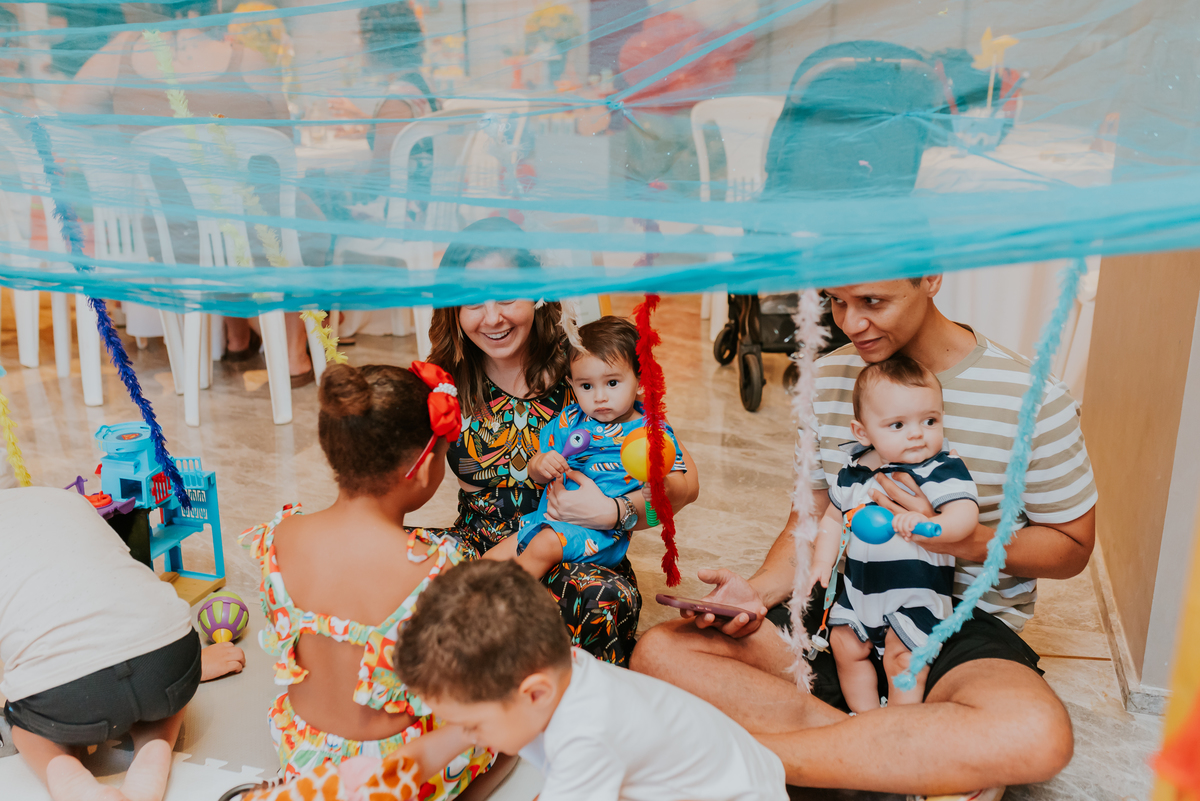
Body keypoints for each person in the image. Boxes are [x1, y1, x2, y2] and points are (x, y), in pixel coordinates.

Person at [632, 276, 1097, 796]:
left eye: (872, 301)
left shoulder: (1034, 397)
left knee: (1035, 733)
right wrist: (757, 593)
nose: (851, 323)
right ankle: (904, 757)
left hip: (958, 623)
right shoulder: (828, 378)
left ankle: (768, 757)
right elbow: (809, 522)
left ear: (930, 277)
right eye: (836, 301)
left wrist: (957, 540)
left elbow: (1071, 547)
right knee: (660, 653)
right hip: (847, 606)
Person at [428, 217, 699, 667]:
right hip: (480, 544)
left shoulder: (586, 368)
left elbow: (685, 488)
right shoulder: (444, 381)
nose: (492, 317)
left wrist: (617, 511)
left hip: (576, 551)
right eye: (472, 300)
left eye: (507, 296)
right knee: (391, 567)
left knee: (599, 600)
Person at [237, 361, 495, 798]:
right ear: (423, 467)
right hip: (393, 769)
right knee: (499, 717)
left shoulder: (280, 535)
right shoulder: (436, 566)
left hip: (305, 753)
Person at [59, 1, 318, 385]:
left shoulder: (118, 57)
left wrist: (131, 122)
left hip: (175, 236)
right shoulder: (249, 60)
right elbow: (284, 143)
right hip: (261, 232)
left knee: (213, 223)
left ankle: (238, 337)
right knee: (292, 219)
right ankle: (293, 357)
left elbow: (67, 115)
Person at [395, 560, 789, 801]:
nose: (468, 734)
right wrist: (385, 779)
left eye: (473, 725)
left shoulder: (586, 734)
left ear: (535, 693)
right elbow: (434, 750)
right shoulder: (550, 675)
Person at [1, 486, 245, 801]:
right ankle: (155, 749)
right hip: (169, 655)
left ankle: (69, 778)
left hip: (70, 694)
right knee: (161, 693)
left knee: (24, 723)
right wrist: (192, 666)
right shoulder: (61, 497)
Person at [807, 354, 979, 712]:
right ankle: (865, 716)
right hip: (860, 593)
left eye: (930, 420)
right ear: (862, 432)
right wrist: (822, 561)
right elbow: (832, 520)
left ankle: (898, 721)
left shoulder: (940, 469)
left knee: (904, 660)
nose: (917, 433)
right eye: (897, 425)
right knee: (844, 645)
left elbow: (965, 515)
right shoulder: (854, 473)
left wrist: (931, 526)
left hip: (915, 596)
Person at [487, 316, 688, 580]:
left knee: (542, 547)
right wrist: (541, 464)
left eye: (612, 383)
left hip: (599, 534)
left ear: (641, 381)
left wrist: (664, 487)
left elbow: (681, 483)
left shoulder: (651, 432)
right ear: (572, 384)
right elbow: (537, 471)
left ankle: (505, 600)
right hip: (545, 520)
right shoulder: (570, 420)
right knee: (486, 563)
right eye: (586, 386)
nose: (599, 397)